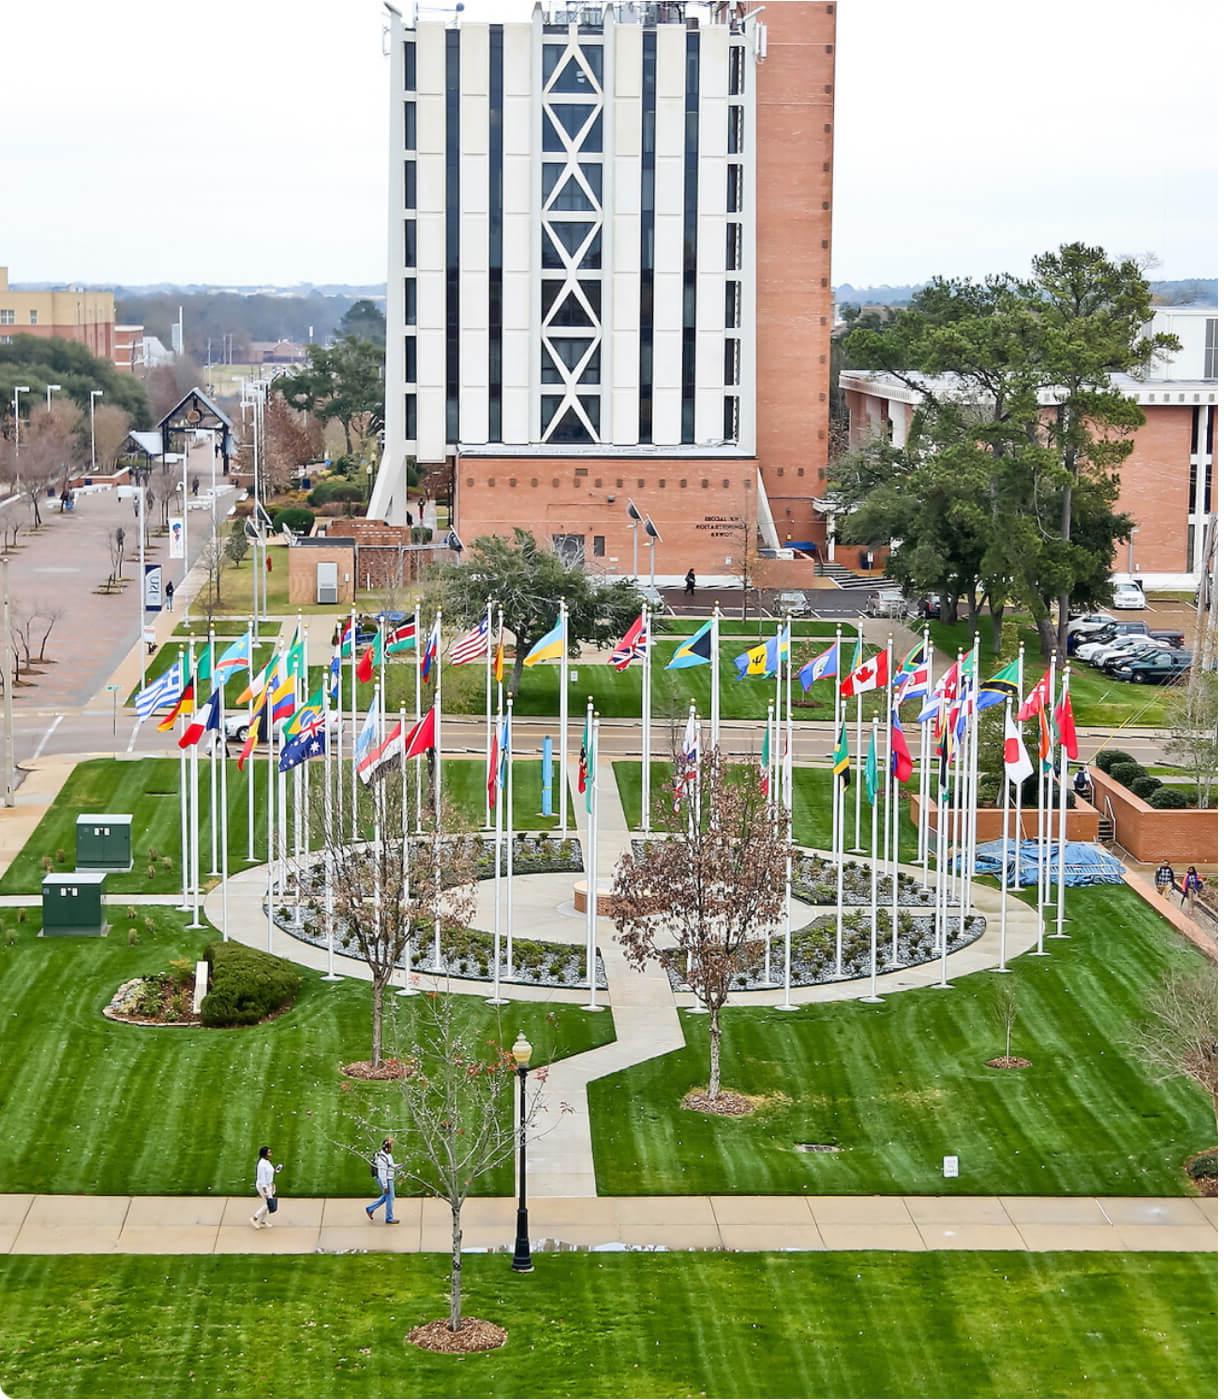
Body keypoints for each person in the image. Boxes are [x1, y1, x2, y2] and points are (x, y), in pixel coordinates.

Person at [366, 1137, 399, 1224]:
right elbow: (382, 1174)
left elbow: (391, 1165)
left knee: (388, 1197)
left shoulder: (388, 1155)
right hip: (386, 1180)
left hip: (389, 1179)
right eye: (391, 1147)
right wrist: (385, 1186)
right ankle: (389, 1218)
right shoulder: (382, 1159)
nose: (392, 1148)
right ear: (387, 1148)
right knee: (389, 1198)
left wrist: (399, 1166)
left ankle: (370, 1208)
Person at [251, 1145, 281, 1229]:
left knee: (268, 1203)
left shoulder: (267, 1162)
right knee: (269, 1204)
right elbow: (262, 1179)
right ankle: (254, 1218)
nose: (271, 1153)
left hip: (269, 1185)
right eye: (269, 1152)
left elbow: (269, 1173)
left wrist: (276, 1171)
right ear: (265, 1154)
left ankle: (262, 1221)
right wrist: (266, 1191)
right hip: (263, 1186)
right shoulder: (261, 1165)